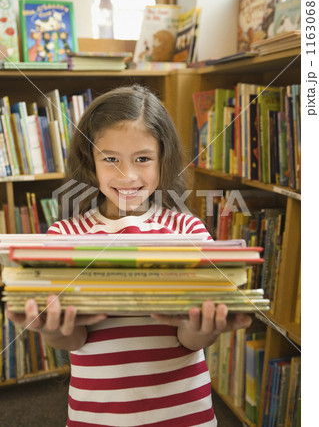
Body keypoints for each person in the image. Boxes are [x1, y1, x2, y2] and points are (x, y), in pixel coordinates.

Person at [6, 85, 252, 426]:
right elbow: (74, 338)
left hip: (184, 414)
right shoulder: (64, 237)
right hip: (98, 416)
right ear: (90, 162)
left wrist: (204, 329)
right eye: (110, 159)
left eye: (142, 158)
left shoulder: (188, 230)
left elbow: (188, 339)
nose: (128, 176)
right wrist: (51, 330)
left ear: (162, 159)